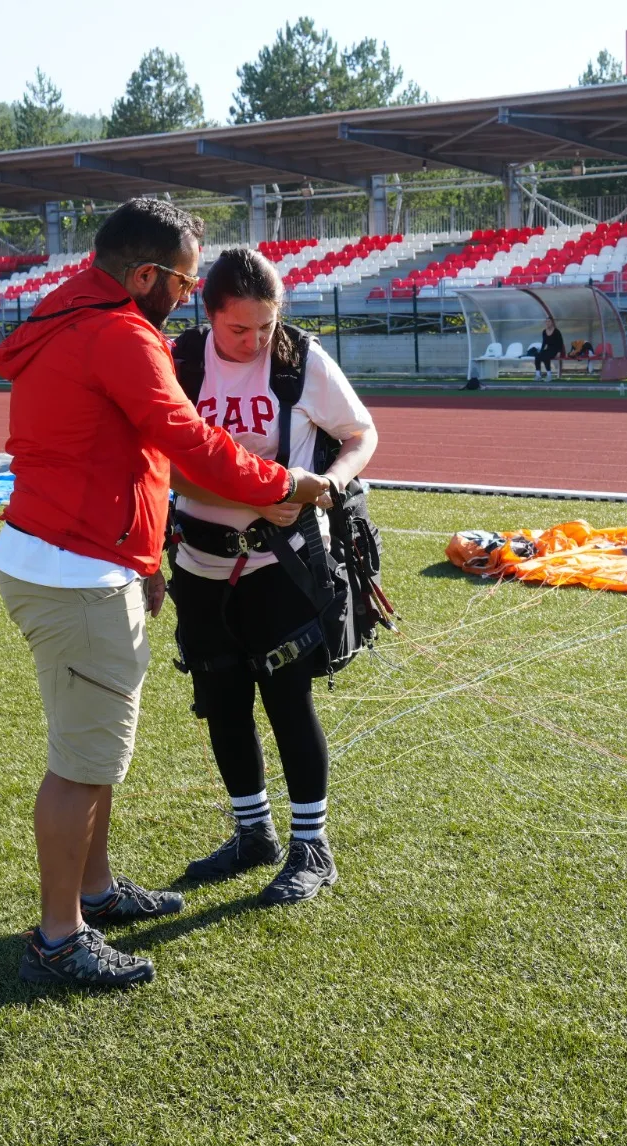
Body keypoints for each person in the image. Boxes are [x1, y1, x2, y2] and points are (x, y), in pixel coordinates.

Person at [0, 200, 328, 989]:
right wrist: (284, 482)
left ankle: (96, 892)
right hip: (76, 570)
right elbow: (191, 442)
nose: (188, 294)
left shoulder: (68, 311)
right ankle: (57, 935)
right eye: (183, 280)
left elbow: (114, 449)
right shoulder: (120, 333)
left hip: (71, 555)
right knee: (80, 762)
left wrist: (144, 556)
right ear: (144, 275)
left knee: (95, 751)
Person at [165, 247, 378, 905]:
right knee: (222, 699)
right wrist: (251, 496)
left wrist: (332, 487)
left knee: (289, 701)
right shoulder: (181, 363)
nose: (257, 341)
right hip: (199, 563)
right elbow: (157, 460)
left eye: (267, 324)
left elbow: (360, 433)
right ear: (208, 312)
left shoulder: (300, 360)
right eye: (240, 329)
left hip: (280, 564)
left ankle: (310, 846)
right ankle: (251, 832)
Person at [533, 317, 564, 381]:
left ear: (552, 323)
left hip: (555, 350)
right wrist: (541, 351)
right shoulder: (544, 332)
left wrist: (559, 352)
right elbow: (544, 343)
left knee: (545, 357)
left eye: (549, 321)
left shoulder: (556, 331)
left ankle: (549, 375)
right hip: (549, 349)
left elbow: (560, 343)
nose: (547, 323)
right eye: (546, 322)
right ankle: (538, 375)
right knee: (537, 356)